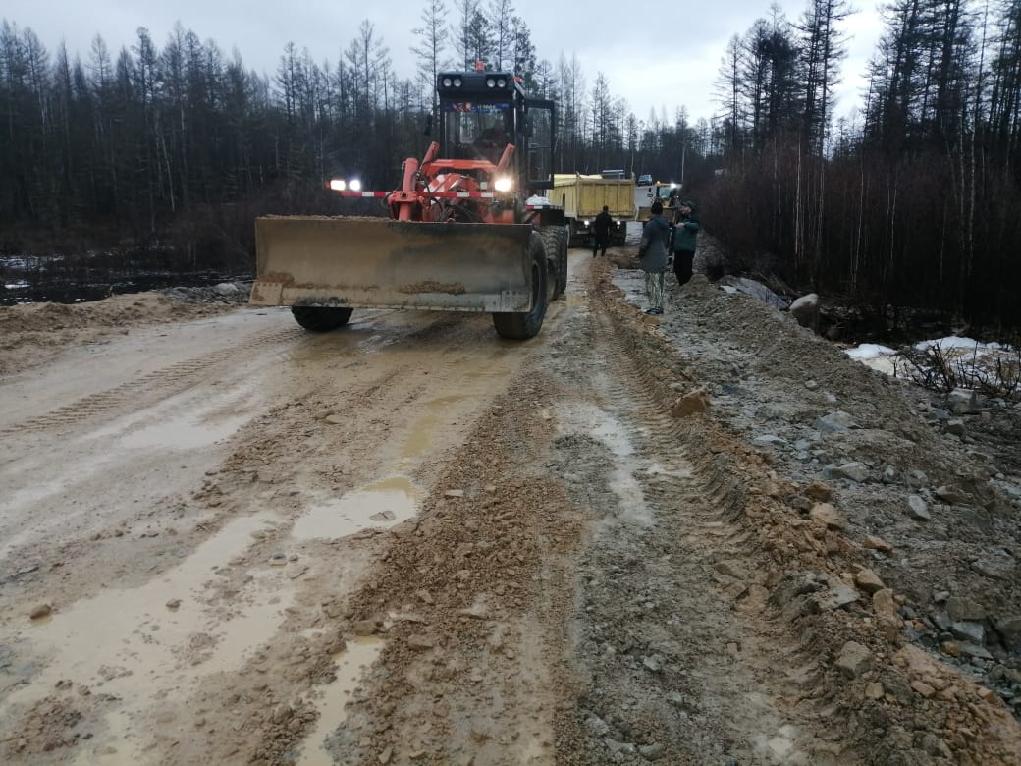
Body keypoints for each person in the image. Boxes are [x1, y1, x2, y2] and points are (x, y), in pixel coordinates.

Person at [638, 201, 671, 315]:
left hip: (651, 257)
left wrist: (640, 253)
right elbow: (668, 241)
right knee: (660, 283)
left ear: (652, 211)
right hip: (662, 255)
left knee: (652, 283)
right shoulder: (666, 224)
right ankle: (660, 306)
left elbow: (644, 243)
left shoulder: (650, 225)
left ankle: (654, 307)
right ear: (662, 211)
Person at [672, 200, 700, 286]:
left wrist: (685, 225)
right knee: (676, 268)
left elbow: (696, 227)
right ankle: (681, 284)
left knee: (686, 269)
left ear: (690, 208)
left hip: (687, 248)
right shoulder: (680, 217)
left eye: (684, 207)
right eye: (681, 207)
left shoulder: (694, 218)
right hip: (678, 248)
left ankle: (686, 285)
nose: (682, 209)